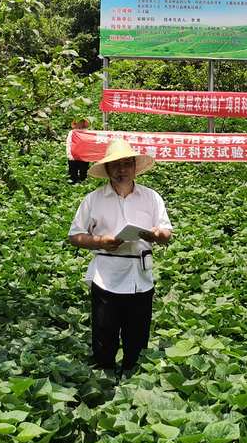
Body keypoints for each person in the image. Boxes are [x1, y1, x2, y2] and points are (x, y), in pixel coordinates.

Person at [67, 139, 173, 373]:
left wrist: (157, 235)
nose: (121, 170)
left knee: (137, 335)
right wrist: (99, 242)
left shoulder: (151, 198)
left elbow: (167, 233)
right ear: (106, 169)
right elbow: (75, 236)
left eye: (126, 164)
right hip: (106, 276)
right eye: (115, 165)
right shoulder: (93, 199)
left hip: (140, 276)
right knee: (104, 334)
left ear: (135, 167)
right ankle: (105, 376)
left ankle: (132, 376)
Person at [67, 119, 90, 183]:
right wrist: (69, 154)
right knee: (73, 172)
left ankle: (82, 183)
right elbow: (69, 143)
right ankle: (73, 183)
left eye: (81, 122)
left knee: (83, 172)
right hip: (73, 155)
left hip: (84, 155)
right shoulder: (72, 132)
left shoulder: (87, 132)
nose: (80, 124)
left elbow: (89, 143)